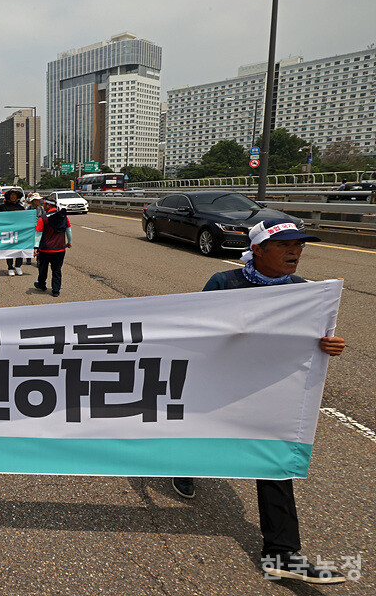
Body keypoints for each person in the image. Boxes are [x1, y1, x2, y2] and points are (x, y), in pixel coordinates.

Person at [171, 219, 347, 585]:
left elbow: (313, 340)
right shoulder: (224, 283)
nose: (295, 252)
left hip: (267, 394)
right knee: (200, 433)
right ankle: (184, 464)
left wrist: (328, 345)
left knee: (272, 460)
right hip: (217, 385)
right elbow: (192, 329)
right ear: (258, 250)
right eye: (284, 245)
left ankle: (281, 553)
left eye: (299, 245)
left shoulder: (304, 292)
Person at [34, 196, 71, 297]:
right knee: (57, 270)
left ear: (49, 205)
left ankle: (41, 284)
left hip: (46, 249)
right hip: (60, 249)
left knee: (43, 268)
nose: (43, 206)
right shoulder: (64, 216)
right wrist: (69, 242)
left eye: (44, 204)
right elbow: (68, 230)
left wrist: (36, 247)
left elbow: (38, 234)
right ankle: (56, 290)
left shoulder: (43, 218)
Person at [0, 188, 25, 276]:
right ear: (9, 197)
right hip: (8, 232)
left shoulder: (21, 208)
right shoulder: (4, 206)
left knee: (19, 249)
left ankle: (18, 266)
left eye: (15, 195)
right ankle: (10, 267)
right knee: (9, 250)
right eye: (11, 195)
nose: (13, 196)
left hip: (19, 232)